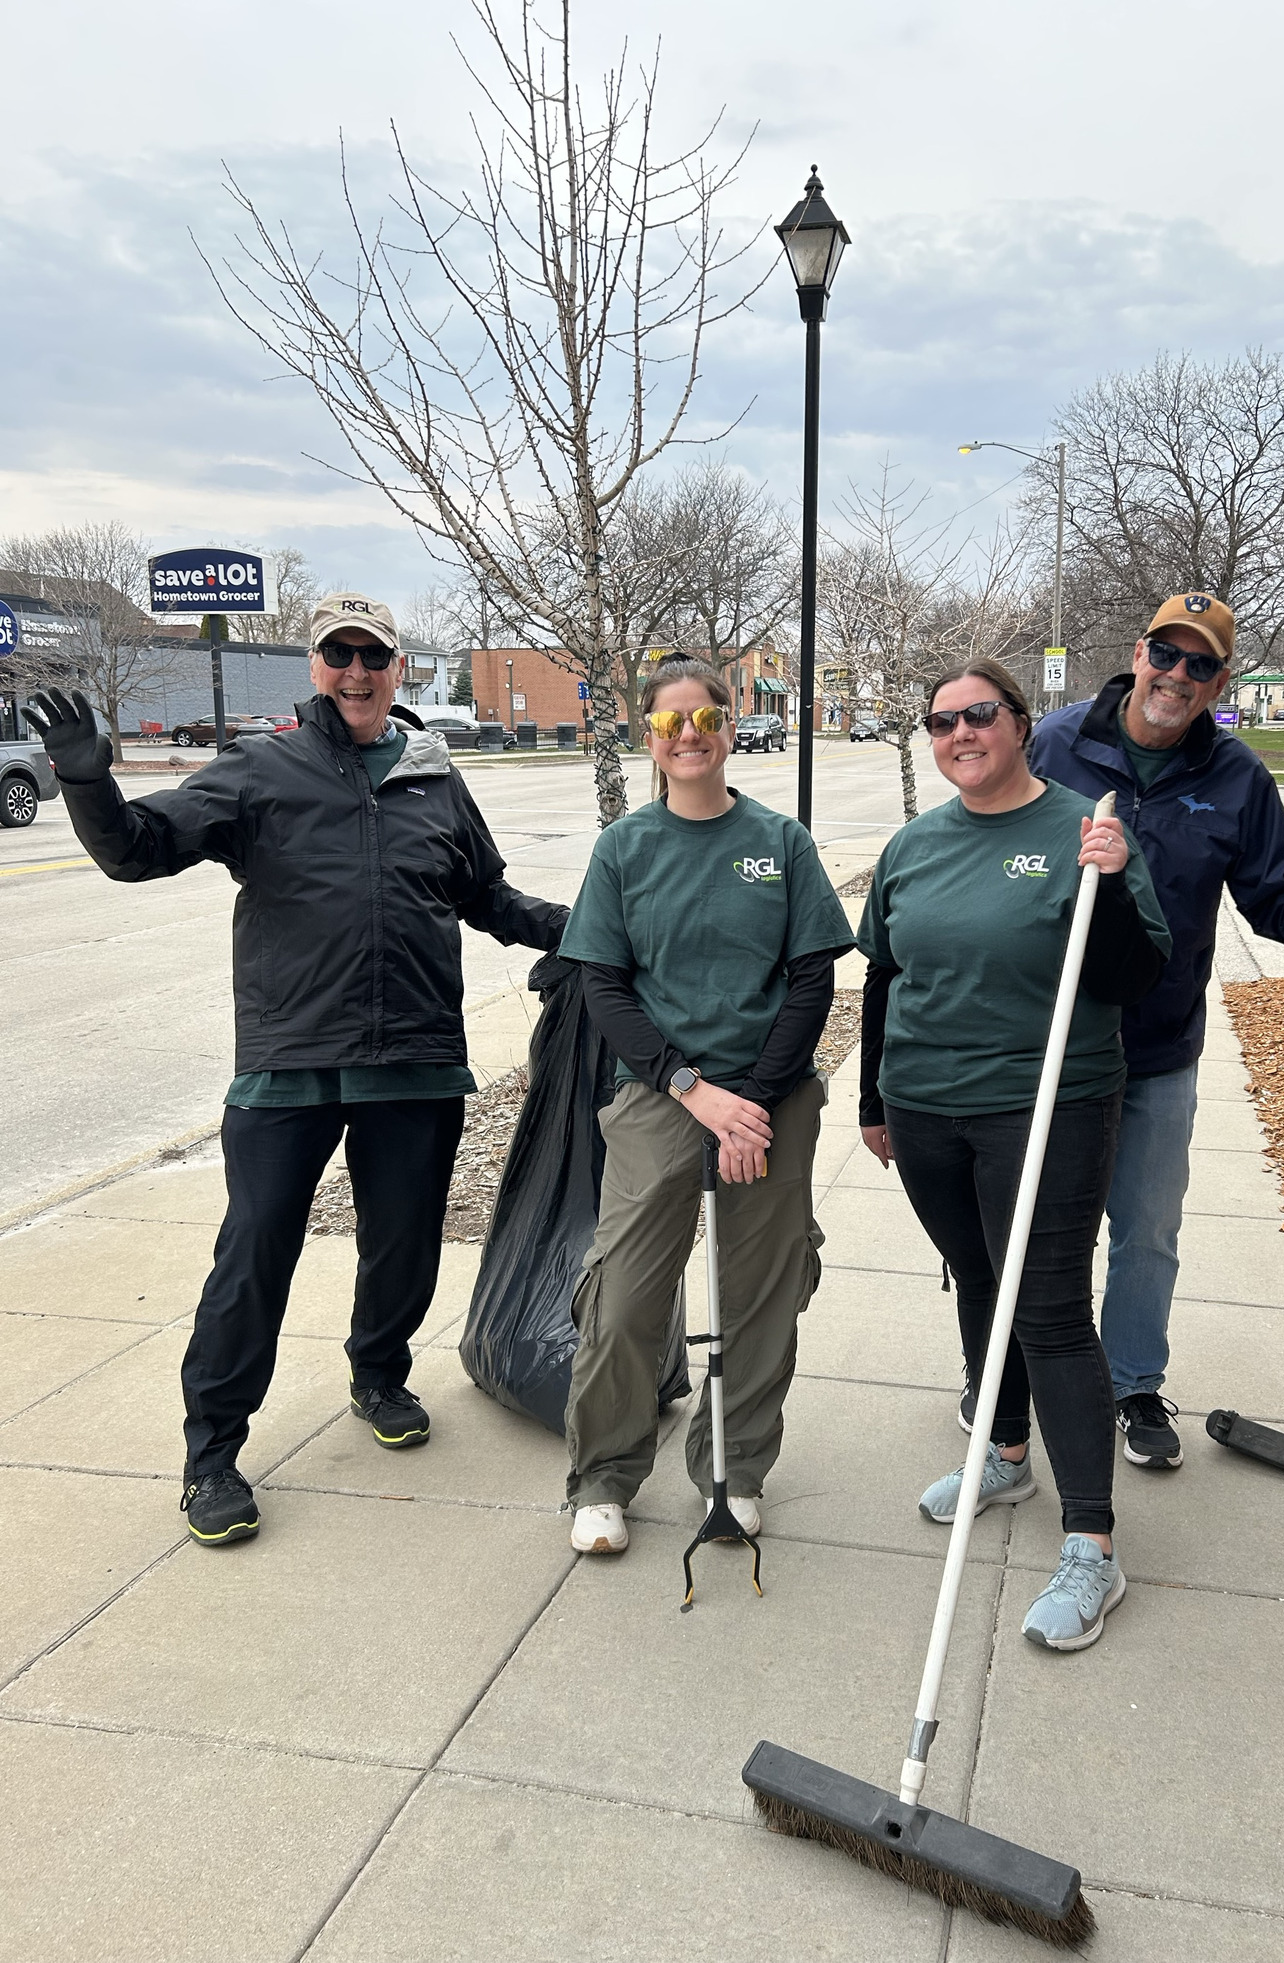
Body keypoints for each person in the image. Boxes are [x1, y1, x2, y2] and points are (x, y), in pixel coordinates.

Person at [25, 593, 567, 1547]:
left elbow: (486, 895)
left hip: (415, 1057)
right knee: (254, 1254)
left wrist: (586, 932)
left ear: (399, 669)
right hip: (291, 1061)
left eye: (374, 655)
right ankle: (212, 1455)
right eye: (338, 654)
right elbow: (136, 852)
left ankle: (378, 1372)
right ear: (315, 666)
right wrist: (87, 785)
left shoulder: (435, 777)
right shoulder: (260, 768)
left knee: (403, 1241)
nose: (356, 672)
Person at [1030, 595, 1284, 1471]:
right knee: (1039, 1223)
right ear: (1139, 652)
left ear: (1220, 681)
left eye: (1200, 664)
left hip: (1159, 1048)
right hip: (1049, 1039)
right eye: (1167, 654)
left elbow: (1276, 900)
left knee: (1148, 1230)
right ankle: (1014, 1376)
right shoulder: (1055, 743)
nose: (1177, 675)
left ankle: (1131, 1383)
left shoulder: (1236, 776)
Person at [858, 657, 1170, 1651]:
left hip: (1048, 1104)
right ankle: (1002, 1452)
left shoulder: (1083, 830)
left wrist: (1112, 884)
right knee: (977, 1282)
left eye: (977, 714)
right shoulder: (914, 843)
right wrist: (872, 1098)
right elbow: (881, 976)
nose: (958, 732)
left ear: (1019, 724)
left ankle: (1091, 1545)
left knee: (1044, 1311)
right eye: (940, 719)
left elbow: (1131, 975)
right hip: (923, 1107)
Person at [556, 657, 854, 1556]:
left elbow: (812, 979)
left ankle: (734, 1467)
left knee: (761, 1294)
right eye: (669, 723)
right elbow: (605, 988)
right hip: (660, 1093)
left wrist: (749, 1100)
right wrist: (693, 1088)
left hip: (767, 1098)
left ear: (731, 725)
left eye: (706, 719)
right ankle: (605, 1475)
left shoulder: (782, 843)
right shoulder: (625, 848)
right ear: (647, 735)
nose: (689, 736)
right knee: (624, 1294)